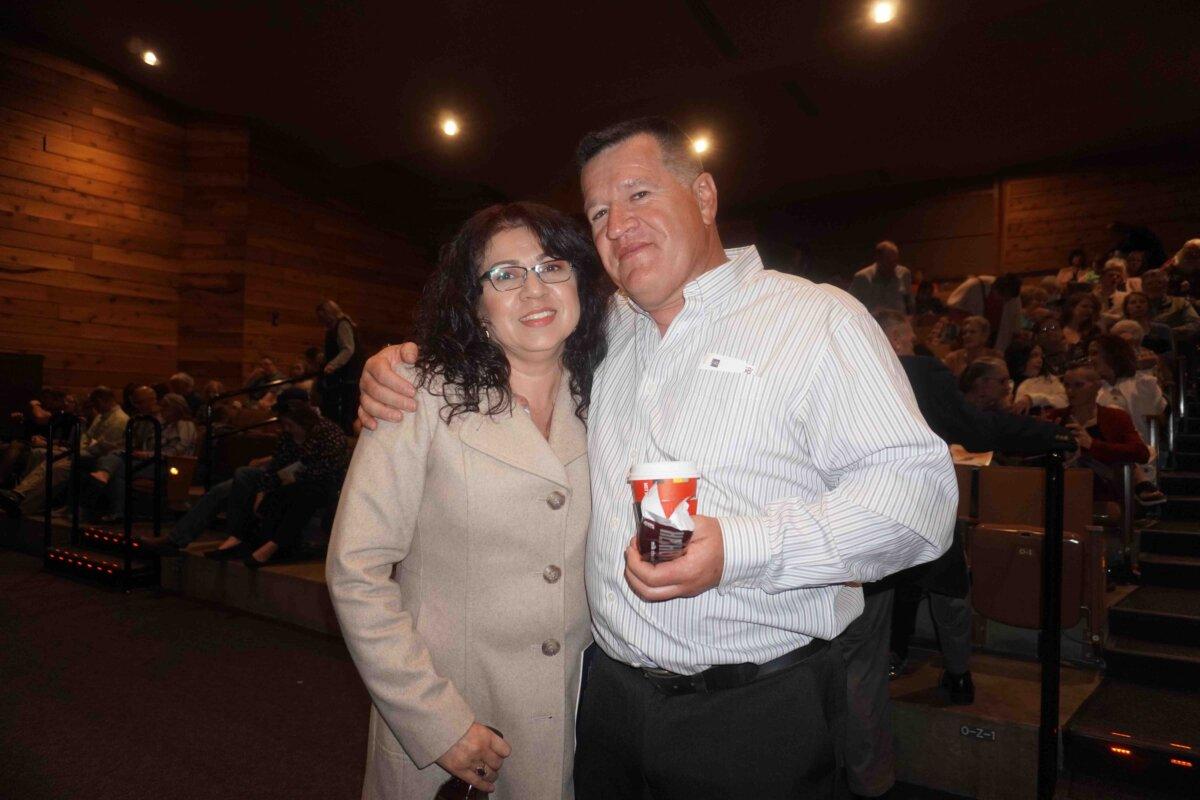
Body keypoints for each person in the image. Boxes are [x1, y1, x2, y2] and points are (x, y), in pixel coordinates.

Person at [356, 117, 957, 799]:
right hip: (607, 703)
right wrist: (401, 364)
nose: (617, 225)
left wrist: (739, 545)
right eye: (600, 212)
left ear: (703, 196)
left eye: (640, 195)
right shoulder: (599, 334)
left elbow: (920, 501)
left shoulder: (816, 320)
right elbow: (498, 353)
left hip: (754, 712)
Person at [327, 202, 608, 799]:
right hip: (447, 724)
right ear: (476, 306)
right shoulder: (418, 394)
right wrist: (437, 723)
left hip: (570, 721)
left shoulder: (608, 400)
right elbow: (356, 571)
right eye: (504, 275)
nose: (534, 288)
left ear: (579, 283)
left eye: (551, 266)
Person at [858, 310, 1068, 796]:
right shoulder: (919, 372)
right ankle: (957, 675)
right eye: (908, 334)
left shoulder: (835, 372)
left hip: (860, 520)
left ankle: (863, 766)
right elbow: (973, 429)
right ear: (899, 337)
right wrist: (1048, 435)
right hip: (917, 510)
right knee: (948, 592)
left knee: (867, 635)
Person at [204, 388, 345, 567]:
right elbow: (276, 464)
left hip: (324, 484)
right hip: (294, 482)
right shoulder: (288, 436)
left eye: (290, 426)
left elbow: (328, 469)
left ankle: (272, 546)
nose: (286, 429)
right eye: (284, 425)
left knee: (300, 493)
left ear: (303, 422)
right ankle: (242, 540)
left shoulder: (328, 433)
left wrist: (287, 477)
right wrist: (263, 491)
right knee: (264, 491)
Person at [0, 386, 128, 517]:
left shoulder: (119, 419)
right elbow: (86, 437)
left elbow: (104, 448)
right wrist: (80, 448)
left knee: (57, 467)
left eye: (96, 403)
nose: (95, 407)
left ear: (102, 400)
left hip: (98, 459)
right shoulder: (102, 417)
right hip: (85, 452)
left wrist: (77, 450)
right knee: (42, 456)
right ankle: (19, 493)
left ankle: (24, 504)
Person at [83, 393, 197, 522]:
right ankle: (111, 499)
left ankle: (111, 503)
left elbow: (177, 451)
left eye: (165, 407)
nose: (161, 409)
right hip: (150, 461)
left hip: (170, 465)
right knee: (114, 459)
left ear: (176, 408)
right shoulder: (163, 424)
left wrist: (147, 454)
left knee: (118, 469)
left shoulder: (185, 425)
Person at [1047, 365, 1151, 502]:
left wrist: (1092, 445)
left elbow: (1141, 453)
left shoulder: (1115, 417)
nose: (1070, 391)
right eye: (1066, 385)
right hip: (1062, 488)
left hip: (1103, 490)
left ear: (1097, 386)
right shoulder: (1056, 417)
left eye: (1078, 385)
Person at [1088, 335, 1167, 505]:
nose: (1090, 359)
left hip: (1133, 449)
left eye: (1095, 353)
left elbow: (1155, 408)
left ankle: (1138, 481)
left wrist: (1142, 370)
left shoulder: (1140, 383)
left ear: (1113, 354)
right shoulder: (1091, 387)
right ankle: (1140, 484)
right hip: (1096, 454)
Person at [316, 299, 365, 432]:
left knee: (346, 410)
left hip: (348, 376)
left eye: (322, 316)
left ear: (328, 314)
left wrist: (332, 364)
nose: (321, 320)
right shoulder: (337, 326)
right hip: (345, 375)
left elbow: (348, 349)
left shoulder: (342, 324)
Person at [946, 273, 1022, 351]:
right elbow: (953, 308)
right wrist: (970, 329)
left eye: (1007, 299)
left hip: (995, 339)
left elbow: (1016, 325)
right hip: (969, 335)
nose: (1003, 302)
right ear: (994, 288)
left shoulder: (1014, 297)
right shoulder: (974, 285)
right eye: (1001, 297)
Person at [849, 240, 913, 314]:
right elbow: (851, 304)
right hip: (873, 322)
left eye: (895, 261)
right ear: (878, 259)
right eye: (889, 261)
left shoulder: (904, 273)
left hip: (898, 323)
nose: (893, 265)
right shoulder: (862, 278)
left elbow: (908, 301)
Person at [1007, 341, 1068, 412]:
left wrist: (1032, 399)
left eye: (1041, 357)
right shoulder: (1006, 380)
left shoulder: (1050, 380)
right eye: (1034, 356)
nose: (1040, 360)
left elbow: (1064, 402)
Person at [1141, 268, 1200, 340]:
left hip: (1176, 345)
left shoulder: (1180, 303)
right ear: (1143, 287)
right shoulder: (1137, 305)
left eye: (1159, 282)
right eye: (1149, 283)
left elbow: (1196, 324)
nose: (1155, 286)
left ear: (1166, 286)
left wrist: (1169, 332)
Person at [1061, 292, 1105, 356]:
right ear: (1072, 308)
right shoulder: (1059, 326)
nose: (1089, 310)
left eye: (1092, 307)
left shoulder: (1094, 331)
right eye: (1084, 306)